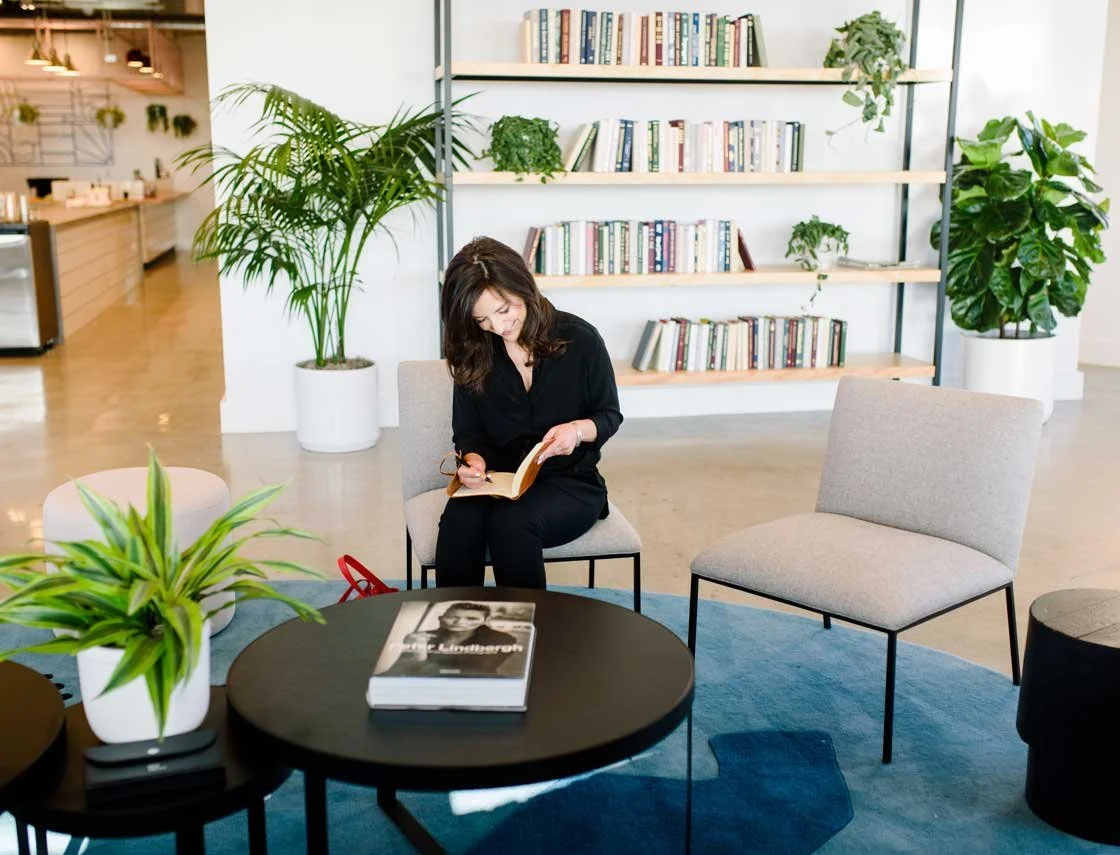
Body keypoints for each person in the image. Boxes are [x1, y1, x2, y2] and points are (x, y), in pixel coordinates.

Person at [436, 235, 622, 589]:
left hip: (569, 482)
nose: (498, 327)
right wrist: (473, 463)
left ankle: (528, 622)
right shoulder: (476, 350)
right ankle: (455, 620)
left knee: (512, 524)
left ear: (523, 287)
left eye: (504, 310)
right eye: (482, 319)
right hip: (497, 480)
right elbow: (469, 433)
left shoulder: (581, 340)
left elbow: (609, 415)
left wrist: (576, 431)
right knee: (461, 521)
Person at [380, 602, 522, 677]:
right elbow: (397, 669)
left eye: (471, 618)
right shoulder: (419, 636)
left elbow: (477, 670)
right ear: (441, 618)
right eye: (452, 617)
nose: (459, 622)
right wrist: (417, 655)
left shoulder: (502, 639)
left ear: (485, 622)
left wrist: (422, 660)